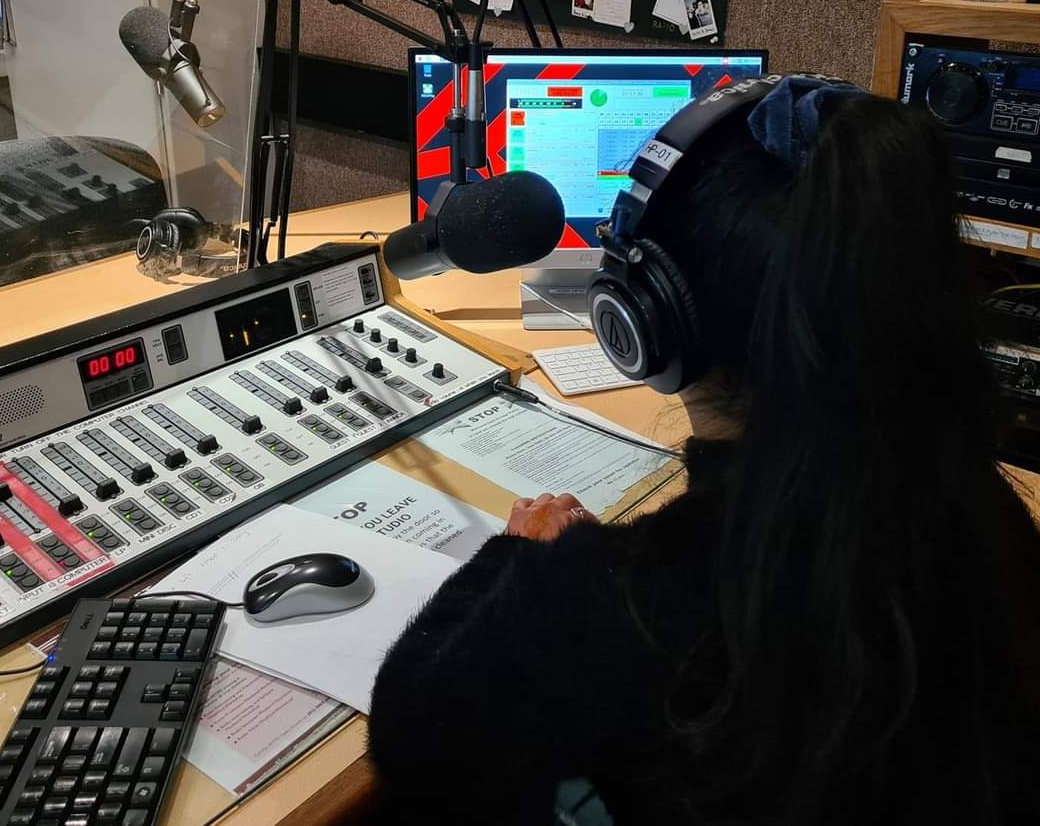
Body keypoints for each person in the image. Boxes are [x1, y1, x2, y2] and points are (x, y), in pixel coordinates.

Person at [369, 77, 1040, 824]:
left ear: (644, 317)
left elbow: (412, 735)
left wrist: (519, 558)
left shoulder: (621, 597)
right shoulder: (986, 512)